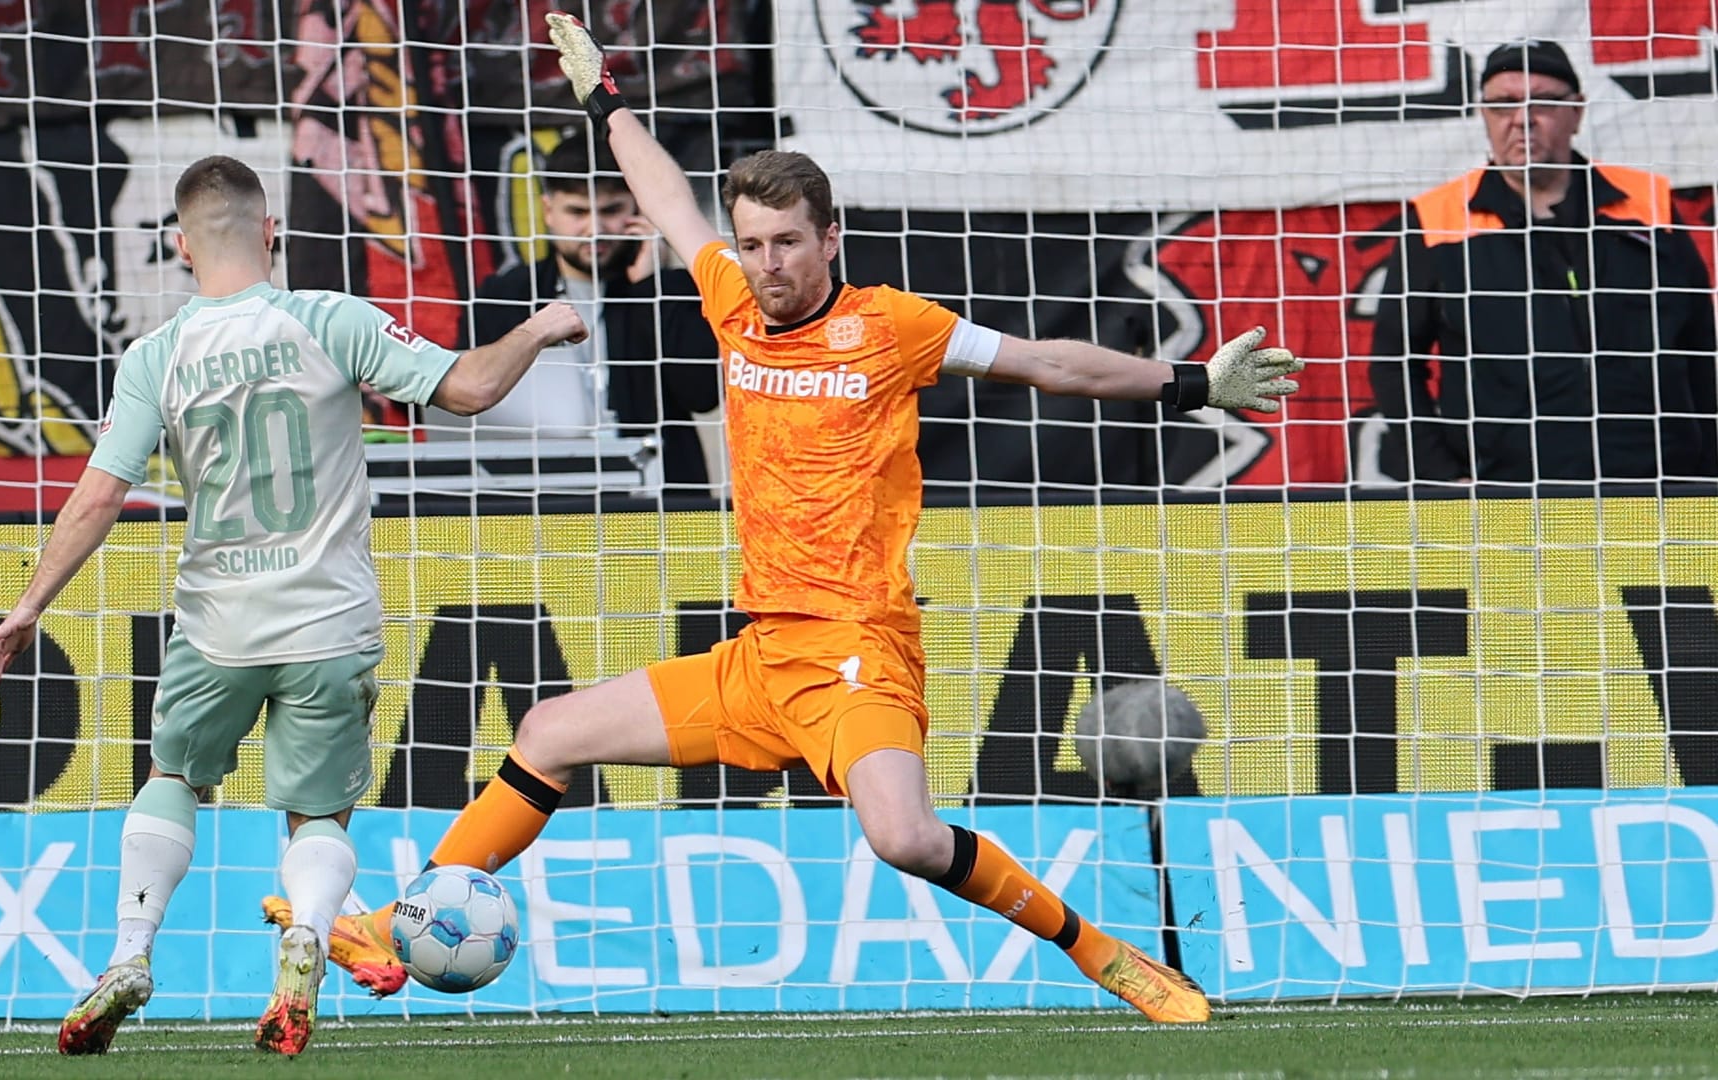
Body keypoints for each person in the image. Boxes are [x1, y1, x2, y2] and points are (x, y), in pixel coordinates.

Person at [262, 13, 1301, 1023]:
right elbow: (665, 198)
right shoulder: (730, 300)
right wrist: (604, 102)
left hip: (857, 651)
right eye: (753, 243)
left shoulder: (893, 326)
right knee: (546, 731)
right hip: (761, 655)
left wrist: (1192, 382)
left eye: (786, 243)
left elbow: (1050, 362)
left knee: (904, 837)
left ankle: (1103, 954)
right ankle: (399, 925)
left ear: (829, 237)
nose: (765, 262)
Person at [0, 156, 586, 1057]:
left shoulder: (156, 355)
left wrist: (29, 606)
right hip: (330, 622)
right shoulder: (330, 320)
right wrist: (539, 326)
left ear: (181, 249)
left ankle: (130, 956)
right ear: (274, 234)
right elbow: (469, 389)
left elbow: (100, 493)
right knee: (318, 817)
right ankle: (305, 938)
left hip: (217, 625)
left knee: (176, 780)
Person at [1370, 38, 1718, 485]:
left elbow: (1699, 347)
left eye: (1543, 102)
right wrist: (1441, 476)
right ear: (1483, 115)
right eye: (1503, 105)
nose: (1522, 121)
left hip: (1657, 485)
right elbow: (1394, 361)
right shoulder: (1434, 220)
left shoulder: (1647, 205)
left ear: (1577, 112)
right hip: (1506, 492)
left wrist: (1706, 470)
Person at [441, 129, 721, 489]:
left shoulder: (675, 288)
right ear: (548, 211)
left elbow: (701, 396)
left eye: (611, 210)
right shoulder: (505, 295)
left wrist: (651, 286)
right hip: (539, 494)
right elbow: (472, 406)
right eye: (577, 211)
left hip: (660, 494)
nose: (594, 229)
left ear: (636, 209)